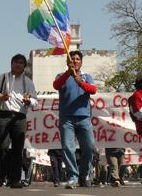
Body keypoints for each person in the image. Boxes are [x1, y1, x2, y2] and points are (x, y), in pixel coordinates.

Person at [0, 53, 38, 189]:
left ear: (24, 66)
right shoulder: (3, 77)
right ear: (11, 64)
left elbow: (35, 101)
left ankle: (15, 179)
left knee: (18, 149)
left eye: (21, 63)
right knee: (1, 147)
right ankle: (1, 176)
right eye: (16, 62)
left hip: (19, 116)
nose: (18, 64)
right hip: (3, 115)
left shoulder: (28, 81)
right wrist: (0, 96)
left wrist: (29, 100)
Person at [52, 50, 97, 189]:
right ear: (68, 62)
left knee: (89, 147)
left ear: (81, 62)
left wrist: (80, 82)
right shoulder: (62, 76)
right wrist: (68, 74)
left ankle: (84, 174)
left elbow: (93, 90)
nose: (75, 61)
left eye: (78, 59)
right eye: (72, 59)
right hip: (67, 118)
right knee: (68, 148)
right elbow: (56, 85)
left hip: (84, 117)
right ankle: (73, 176)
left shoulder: (86, 76)